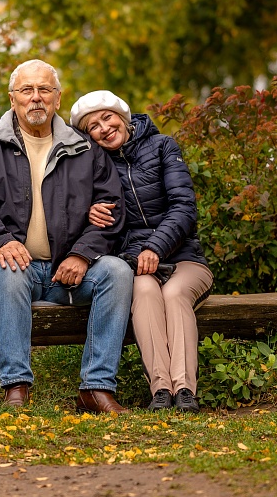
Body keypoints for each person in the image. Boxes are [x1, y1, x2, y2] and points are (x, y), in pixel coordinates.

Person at [0, 60, 134, 413]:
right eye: (27, 90)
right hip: (10, 268)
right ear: (13, 99)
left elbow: (111, 208)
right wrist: (2, 241)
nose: (35, 97)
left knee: (117, 272)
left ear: (57, 98)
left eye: (44, 90)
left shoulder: (85, 148)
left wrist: (82, 254)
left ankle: (96, 387)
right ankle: (16, 386)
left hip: (68, 272)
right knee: (10, 268)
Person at [71, 90, 212, 413]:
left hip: (184, 259)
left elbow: (184, 207)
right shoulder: (94, 167)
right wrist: (87, 211)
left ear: (123, 117)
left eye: (107, 117)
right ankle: (161, 388)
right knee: (145, 293)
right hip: (137, 264)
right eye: (93, 126)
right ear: (88, 135)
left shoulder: (162, 146)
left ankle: (185, 389)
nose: (104, 128)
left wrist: (155, 247)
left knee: (174, 293)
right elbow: (76, 213)